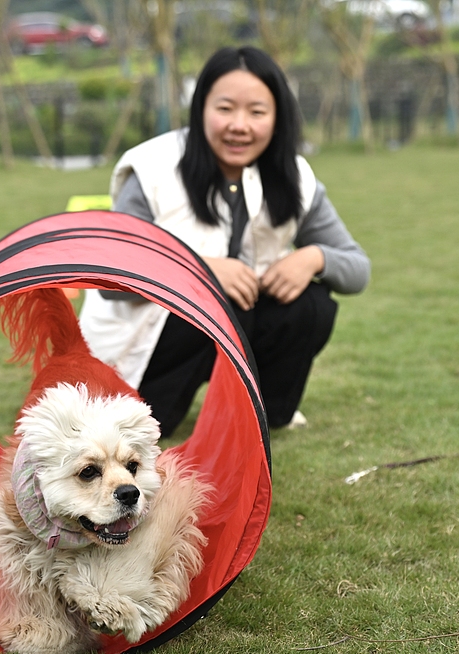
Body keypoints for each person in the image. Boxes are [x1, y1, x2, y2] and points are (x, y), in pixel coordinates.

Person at [78, 46, 370, 437]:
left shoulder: (294, 178)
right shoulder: (153, 168)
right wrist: (200, 269)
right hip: (145, 343)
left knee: (309, 304)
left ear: (278, 118)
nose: (240, 125)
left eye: (257, 112)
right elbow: (110, 279)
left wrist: (314, 258)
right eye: (225, 108)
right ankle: (149, 410)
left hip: (230, 320)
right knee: (224, 301)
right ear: (200, 109)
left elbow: (357, 269)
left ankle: (262, 413)